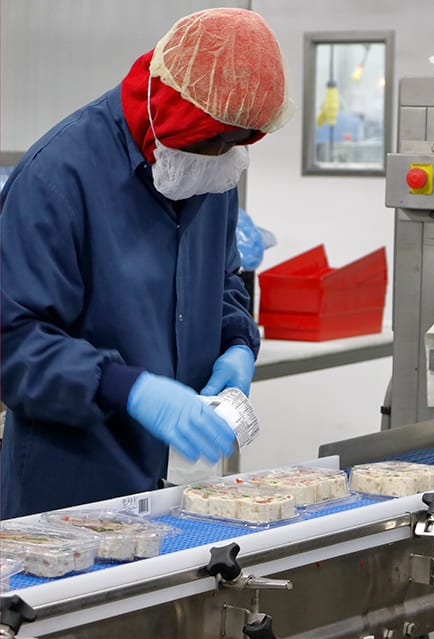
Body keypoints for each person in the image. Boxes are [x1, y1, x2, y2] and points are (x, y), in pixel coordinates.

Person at [0, 8, 293, 518]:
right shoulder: (57, 180)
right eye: (209, 141)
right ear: (165, 112)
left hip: (181, 491)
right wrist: (124, 387)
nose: (221, 155)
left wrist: (237, 343)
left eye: (236, 142)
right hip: (70, 497)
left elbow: (221, 282)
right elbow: (12, 341)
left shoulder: (209, 167)